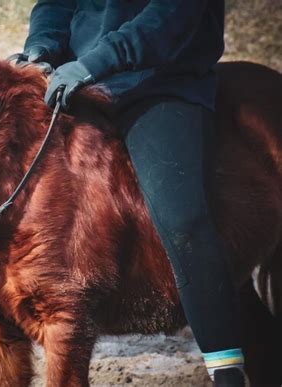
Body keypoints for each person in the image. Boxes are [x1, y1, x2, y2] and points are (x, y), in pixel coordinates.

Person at [15, 1, 246, 386]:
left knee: (183, 221)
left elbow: (171, 17)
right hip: (77, 80)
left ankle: (226, 368)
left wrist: (94, 63)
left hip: (160, 81)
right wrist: (41, 49)